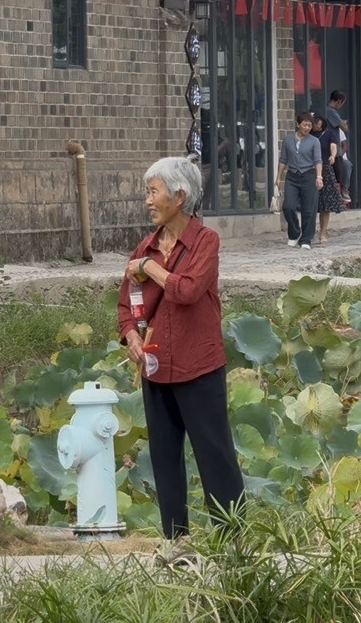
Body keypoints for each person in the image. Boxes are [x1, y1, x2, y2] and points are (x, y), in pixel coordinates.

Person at [115, 156, 244, 557]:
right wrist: (131, 336)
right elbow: (127, 304)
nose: (147, 201)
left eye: (153, 192)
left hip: (199, 365)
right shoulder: (146, 246)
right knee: (164, 456)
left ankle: (232, 543)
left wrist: (149, 268)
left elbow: (187, 290)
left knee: (215, 454)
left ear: (179, 197)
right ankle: (176, 542)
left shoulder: (205, 241)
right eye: (147, 192)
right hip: (156, 368)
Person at [275, 112, 324, 250]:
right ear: (298, 124)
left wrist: (319, 176)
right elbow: (283, 159)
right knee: (288, 206)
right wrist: (278, 177)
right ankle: (294, 233)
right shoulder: (288, 139)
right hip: (292, 175)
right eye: (304, 125)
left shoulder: (314, 141)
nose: (307, 128)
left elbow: (318, 160)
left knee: (309, 210)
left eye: (310, 125)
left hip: (309, 175)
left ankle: (306, 239)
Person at [312, 114, 344, 245]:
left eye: (318, 123)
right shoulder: (308, 135)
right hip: (310, 170)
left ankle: (323, 231)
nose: (316, 125)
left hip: (325, 168)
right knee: (310, 203)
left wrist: (333, 155)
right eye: (314, 123)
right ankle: (309, 231)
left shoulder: (329, 133)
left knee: (325, 203)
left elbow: (333, 146)